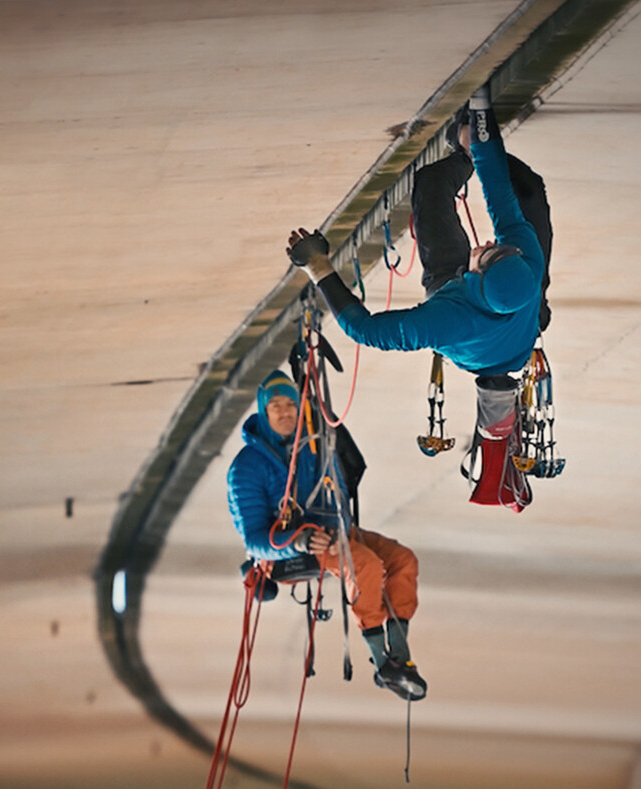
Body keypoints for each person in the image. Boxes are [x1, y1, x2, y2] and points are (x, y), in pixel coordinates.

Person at [288, 85, 549, 379]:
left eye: (487, 253)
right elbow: (499, 191)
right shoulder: (529, 262)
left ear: (474, 275)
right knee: (529, 190)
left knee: (431, 184)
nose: (489, 242)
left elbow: (364, 330)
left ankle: (464, 146)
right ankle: (467, 144)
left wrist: (317, 266)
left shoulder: (443, 321)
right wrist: (481, 114)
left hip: (471, 330)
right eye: (499, 248)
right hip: (521, 314)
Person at [227, 369, 426, 701]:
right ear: (263, 412)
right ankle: (382, 662)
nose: (285, 413)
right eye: (275, 406)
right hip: (291, 549)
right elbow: (255, 542)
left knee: (402, 560)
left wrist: (339, 528)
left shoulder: (315, 444)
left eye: (290, 405)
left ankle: (400, 655)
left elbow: (340, 488)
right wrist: (300, 540)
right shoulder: (246, 467)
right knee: (366, 566)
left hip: (336, 532)